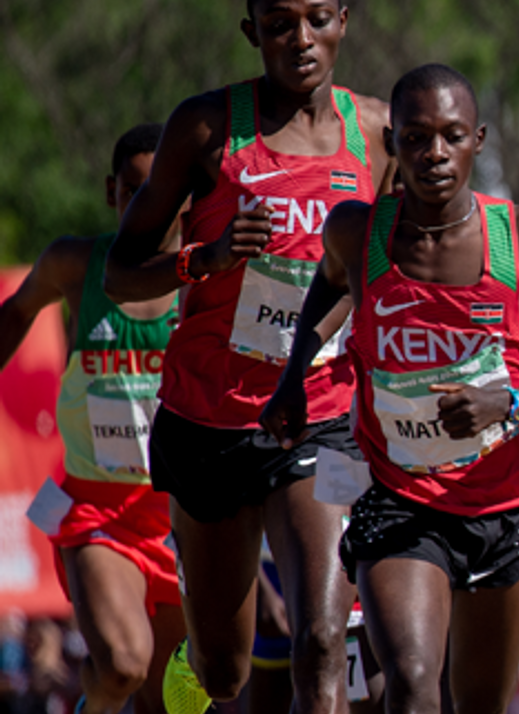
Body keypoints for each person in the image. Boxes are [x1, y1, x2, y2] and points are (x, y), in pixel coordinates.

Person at [261, 63, 519, 714]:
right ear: (392, 143)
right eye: (417, 138)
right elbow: (330, 287)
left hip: (501, 507)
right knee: (413, 682)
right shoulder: (357, 230)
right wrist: (292, 379)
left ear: (477, 140)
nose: (434, 154)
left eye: (451, 136)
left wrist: (510, 404)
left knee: (477, 702)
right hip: (402, 502)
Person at [101, 2, 394, 712]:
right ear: (251, 31)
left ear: (345, 20)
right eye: (279, 23)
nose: (301, 39)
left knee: (322, 638)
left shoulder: (380, 135)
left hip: (319, 413)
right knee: (224, 672)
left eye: (318, 18)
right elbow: (121, 271)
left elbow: (385, 265)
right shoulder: (204, 129)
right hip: (211, 418)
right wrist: (209, 255)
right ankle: (193, 657)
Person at [0, 124, 182, 714]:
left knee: (174, 699)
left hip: (185, 517)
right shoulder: (77, 265)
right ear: (112, 192)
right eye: (134, 191)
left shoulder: (211, 280)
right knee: (124, 664)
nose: (147, 208)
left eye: (162, 193)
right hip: (94, 508)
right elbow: (15, 315)